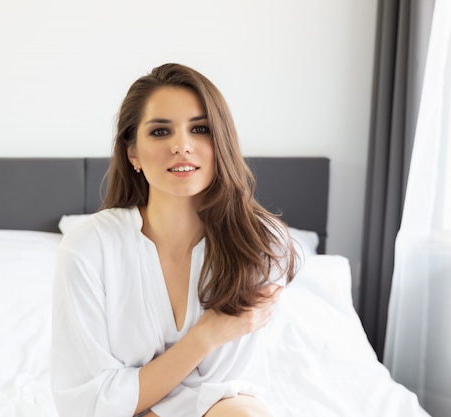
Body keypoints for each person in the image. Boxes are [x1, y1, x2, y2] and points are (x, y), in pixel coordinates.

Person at [51, 63, 297, 417]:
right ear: (132, 152)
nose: (182, 146)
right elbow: (89, 402)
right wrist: (206, 335)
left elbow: (221, 387)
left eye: (200, 129)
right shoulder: (89, 247)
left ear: (221, 141)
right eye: (160, 132)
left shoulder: (259, 243)